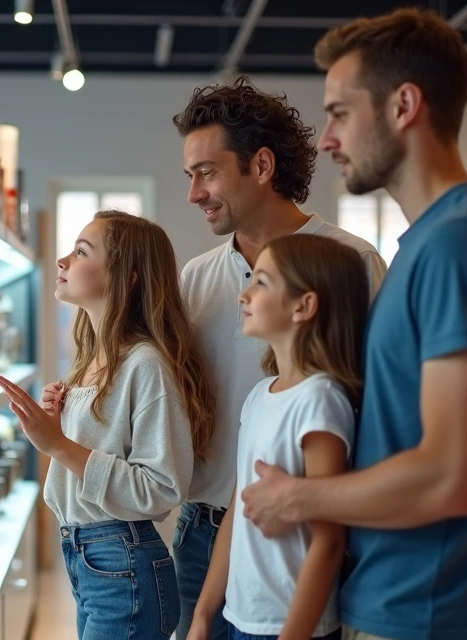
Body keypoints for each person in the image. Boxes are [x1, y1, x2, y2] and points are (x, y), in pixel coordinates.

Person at [238, 8, 467, 640]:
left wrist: (297, 499)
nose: (326, 139)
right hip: (408, 602)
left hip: (434, 611)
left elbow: (452, 476)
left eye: (341, 113)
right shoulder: (425, 247)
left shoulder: (462, 245)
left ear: (404, 105)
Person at [171, 76, 386, 640]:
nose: (194, 193)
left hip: (304, 542)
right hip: (205, 537)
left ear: (261, 166)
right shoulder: (196, 278)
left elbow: (381, 408)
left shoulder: (354, 264)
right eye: (190, 176)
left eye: (207, 172)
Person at [0, 210, 216, 640]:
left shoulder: (145, 365)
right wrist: (56, 432)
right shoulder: (91, 361)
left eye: (80, 252)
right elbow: (89, 456)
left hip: (123, 565)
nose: (62, 261)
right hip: (90, 561)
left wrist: (59, 446)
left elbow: (162, 489)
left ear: (128, 278)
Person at [188, 234, 368, 640]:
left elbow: (329, 539)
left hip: (290, 626)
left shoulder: (320, 400)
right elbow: (237, 511)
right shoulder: (258, 396)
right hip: (238, 617)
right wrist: (203, 614)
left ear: (305, 305)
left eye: (262, 282)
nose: (243, 295)